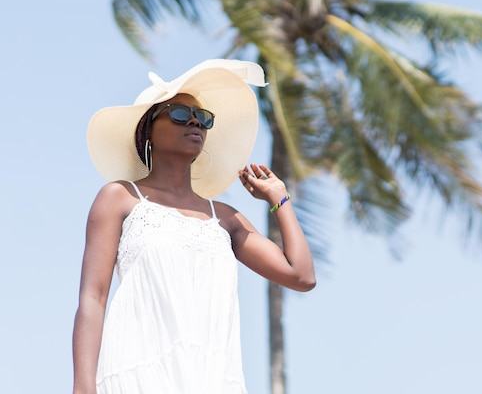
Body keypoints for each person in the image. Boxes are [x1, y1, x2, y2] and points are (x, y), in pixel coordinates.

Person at [72, 59, 316, 394]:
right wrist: (83, 387)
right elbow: (92, 298)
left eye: (203, 118)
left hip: (211, 380)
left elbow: (301, 276)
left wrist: (280, 199)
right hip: (137, 376)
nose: (194, 122)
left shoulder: (225, 218)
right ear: (148, 129)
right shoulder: (119, 198)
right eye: (178, 113)